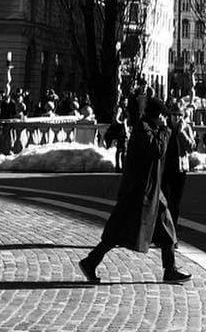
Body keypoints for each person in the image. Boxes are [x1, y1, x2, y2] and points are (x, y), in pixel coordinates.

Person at [79, 94, 190, 285]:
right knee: (118, 231)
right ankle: (90, 261)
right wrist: (165, 130)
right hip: (138, 192)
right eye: (163, 116)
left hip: (152, 191)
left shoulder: (150, 128)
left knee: (167, 227)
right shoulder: (144, 129)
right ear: (157, 115)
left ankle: (170, 269)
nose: (165, 119)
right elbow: (157, 150)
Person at [162, 101, 196, 234]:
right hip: (166, 169)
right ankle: (162, 232)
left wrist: (182, 134)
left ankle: (172, 234)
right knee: (164, 202)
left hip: (180, 169)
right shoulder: (166, 128)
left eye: (178, 115)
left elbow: (191, 147)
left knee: (175, 204)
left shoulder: (186, 128)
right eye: (173, 115)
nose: (176, 117)